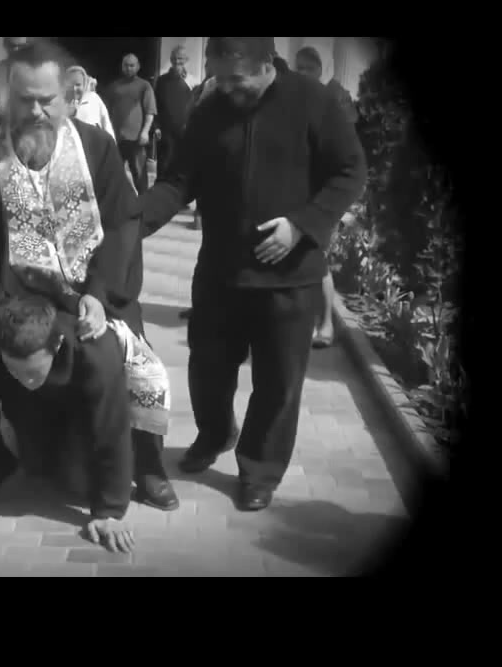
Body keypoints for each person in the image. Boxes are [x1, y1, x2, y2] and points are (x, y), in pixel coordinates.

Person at [0, 40, 158, 574]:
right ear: (5, 97)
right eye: (24, 100)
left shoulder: (96, 148)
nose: (36, 111)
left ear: (68, 97)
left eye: (47, 100)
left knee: (105, 364)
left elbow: (122, 226)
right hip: (8, 306)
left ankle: (130, 479)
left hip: (86, 302)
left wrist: (98, 293)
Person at [140, 37, 366, 512]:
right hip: (220, 272)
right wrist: (131, 222)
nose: (224, 87)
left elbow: (350, 171)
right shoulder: (211, 109)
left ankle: (260, 469)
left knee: (278, 383)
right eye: (217, 76)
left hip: (290, 278)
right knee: (207, 368)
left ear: (267, 64)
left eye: (235, 79)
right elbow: (179, 180)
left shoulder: (312, 101)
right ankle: (215, 433)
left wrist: (302, 225)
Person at [294, 45, 359, 348]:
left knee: (317, 259)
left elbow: (346, 156)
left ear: (320, 70)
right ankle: (309, 324)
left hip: (324, 195)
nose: (303, 73)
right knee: (304, 260)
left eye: (308, 68)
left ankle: (326, 325)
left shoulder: (333, 100)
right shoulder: (296, 99)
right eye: (299, 68)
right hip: (301, 192)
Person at [105, 53, 157, 195]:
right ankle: (121, 202)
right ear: (122, 67)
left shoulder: (144, 86)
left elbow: (150, 112)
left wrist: (145, 132)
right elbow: (105, 111)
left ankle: (144, 204)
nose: (129, 68)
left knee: (140, 176)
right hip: (117, 139)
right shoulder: (114, 87)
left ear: (138, 66)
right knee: (114, 174)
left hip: (136, 139)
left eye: (132, 65)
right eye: (126, 65)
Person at [154, 45, 194, 180]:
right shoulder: (162, 81)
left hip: (184, 130)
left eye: (180, 58)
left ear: (186, 60)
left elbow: (195, 106)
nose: (177, 61)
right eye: (175, 58)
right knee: (163, 164)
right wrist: (156, 126)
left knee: (182, 164)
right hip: (166, 130)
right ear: (171, 60)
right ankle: (160, 189)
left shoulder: (192, 81)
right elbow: (156, 104)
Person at [65, 65, 116, 139]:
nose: (74, 89)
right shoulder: (61, 102)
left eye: (78, 85)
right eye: (71, 85)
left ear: (84, 84)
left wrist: (112, 142)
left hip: (94, 142)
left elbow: (106, 123)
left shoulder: (93, 98)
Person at [0, 37, 30, 109]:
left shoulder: (38, 73)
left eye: (21, 46)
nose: (16, 50)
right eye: (12, 46)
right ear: (5, 45)